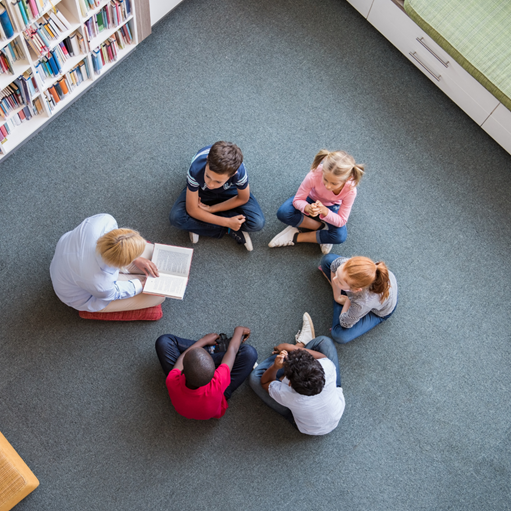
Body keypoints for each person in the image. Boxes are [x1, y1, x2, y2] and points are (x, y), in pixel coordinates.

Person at [249, 313, 345, 435]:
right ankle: (297, 348)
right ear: (318, 366)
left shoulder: (287, 395)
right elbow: (323, 357)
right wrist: (290, 348)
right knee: (323, 342)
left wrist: (275, 366)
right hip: (335, 414)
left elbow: (265, 382)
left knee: (255, 378)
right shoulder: (327, 367)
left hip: (305, 426)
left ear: (289, 383)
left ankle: (293, 351)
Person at [50, 213, 164, 312]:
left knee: (152, 255)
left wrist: (136, 258)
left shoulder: (104, 221)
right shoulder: (100, 284)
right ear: (122, 262)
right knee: (158, 298)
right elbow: (115, 292)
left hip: (69, 257)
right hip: (81, 293)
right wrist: (141, 285)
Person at [169, 141, 265, 251]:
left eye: (217, 181)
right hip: (201, 190)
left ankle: (199, 224)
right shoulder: (195, 169)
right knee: (176, 218)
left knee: (257, 222)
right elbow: (192, 210)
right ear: (207, 161)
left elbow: (243, 198)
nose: (210, 184)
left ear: (233, 174)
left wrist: (211, 209)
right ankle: (229, 229)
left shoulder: (239, 172)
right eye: (208, 176)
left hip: (229, 189)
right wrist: (227, 222)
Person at [268, 149, 364, 254]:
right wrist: (306, 207)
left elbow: (341, 221)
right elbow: (298, 200)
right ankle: (322, 228)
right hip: (310, 198)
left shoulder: (350, 190)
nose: (328, 186)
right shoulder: (314, 174)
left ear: (348, 178)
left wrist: (325, 212)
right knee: (283, 213)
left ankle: (296, 237)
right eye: (325, 179)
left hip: (332, 207)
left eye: (334, 183)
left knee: (340, 236)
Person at [155, 327, 258, 420]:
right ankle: (213, 350)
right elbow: (232, 350)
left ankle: (209, 350)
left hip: (188, 397)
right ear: (214, 372)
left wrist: (203, 340)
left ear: (182, 371)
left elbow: (183, 358)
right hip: (219, 394)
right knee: (249, 353)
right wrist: (239, 330)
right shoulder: (218, 380)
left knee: (164, 341)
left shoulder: (172, 380)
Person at [319, 254, 398, 343]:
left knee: (339, 335)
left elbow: (345, 323)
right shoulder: (345, 265)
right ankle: (343, 292)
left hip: (381, 311)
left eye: (340, 281)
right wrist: (337, 297)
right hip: (365, 295)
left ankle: (345, 295)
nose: (334, 279)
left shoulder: (361, 303)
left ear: (356, 290)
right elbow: (334, 265)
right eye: (337, 274)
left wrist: (349, 300)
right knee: (327, 260)